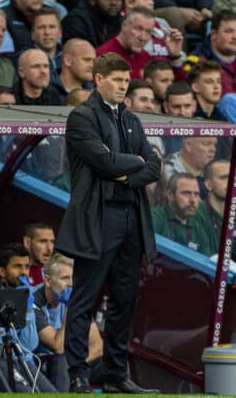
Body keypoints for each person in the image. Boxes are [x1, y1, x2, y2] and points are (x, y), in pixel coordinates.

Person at [56, 52, 161, 394]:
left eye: (126, 81)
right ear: (98, 79)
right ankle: (77, 374)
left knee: (124, 298)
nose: (122, 86)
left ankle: (115, 375)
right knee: (85, 298)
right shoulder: (82, 117)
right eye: (117, 80)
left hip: (131, 214)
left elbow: (154, 166)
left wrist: (126, 176)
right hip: (98, 219)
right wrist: (134, 164)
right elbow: (104, 161)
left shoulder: (130, 118)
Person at [0, 243, 57, 393]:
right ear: (2, 271)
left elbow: (29, 346)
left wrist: (29, 310)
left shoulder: (27, 294)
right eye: (17, 266)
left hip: (25, 362)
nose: (24, 272)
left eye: (26, 266)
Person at [33, 253, 103, 393]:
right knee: (61, 360)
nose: (71, 284)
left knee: (115, 363)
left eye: (73, 278)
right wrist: (69, 308)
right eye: (65, 278)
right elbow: (58, 347)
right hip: (44, 362)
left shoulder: (78, 299)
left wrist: (79, 365)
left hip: (73, 362)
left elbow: (98, 344)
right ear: (47, 280)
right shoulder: (33, 302)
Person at [96, 7, 185, 80]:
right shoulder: (103, 55)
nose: (142, 37)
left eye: (148, 32)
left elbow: (176, 91)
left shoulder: (146, 56)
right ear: (124, 25)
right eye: (138, 29)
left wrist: (175, 57)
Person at [152, 173, 215, 256]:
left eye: (196, 194)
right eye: (186, 193)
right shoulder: (154, 217)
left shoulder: (198, 229)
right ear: (170, 194)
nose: (193, 200)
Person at [21, 221, 54, 286]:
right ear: (27, 242)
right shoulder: (15, 273)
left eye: (52, 242)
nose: (50, 248)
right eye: (43, 241)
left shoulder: (56, 272)